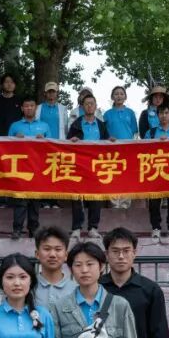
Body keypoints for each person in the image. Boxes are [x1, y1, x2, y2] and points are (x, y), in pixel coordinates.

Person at [100, 227, 169, 338]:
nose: (121, 256)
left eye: (126, 251)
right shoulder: (97, 288)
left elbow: (159, 336)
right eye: (115, 251)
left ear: (134, 253)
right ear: (107, 254)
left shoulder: (150, 290)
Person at [8, 97, 51, 239]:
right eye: (26, 106)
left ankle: (34, 230)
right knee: (20, 200)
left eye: (32, 105)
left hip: (38, 167)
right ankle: (17, 229)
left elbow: (52, 146)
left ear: (35, 108)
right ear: (22, 108)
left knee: (35, 200)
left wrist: (44, 140)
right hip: (20, 167)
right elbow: (5, 147)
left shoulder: (44, 126)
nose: (29, 108)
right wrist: (15, 140)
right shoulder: (15, 126)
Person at [67, 94, 108, 240]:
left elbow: (106, 143)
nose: (89, 106)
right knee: (77, 197)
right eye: (87, 104)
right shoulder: (76, 124)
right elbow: (67, 144)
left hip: (96, 165)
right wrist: (72, 141)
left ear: (96, 106)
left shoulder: (101, 125)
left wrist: (110, 141)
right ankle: (76, 228)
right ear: (82, 107)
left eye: (92, 103)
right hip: (79, 164)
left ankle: (93, 228)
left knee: (96, 197)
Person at [144, 104, 169, 238]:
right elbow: (143, 150)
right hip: (155, 171)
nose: (164, 116)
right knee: (154, 202)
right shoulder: (150, 133)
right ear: (157, 116)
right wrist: (157, 142)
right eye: (161, 113)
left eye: (166, 113)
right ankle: (156, 227)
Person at [33, 226, 76, 309]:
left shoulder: (76, 289)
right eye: (47, 249)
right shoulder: (28, 287)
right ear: (37, 254)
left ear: (66, 255)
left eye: (58, 249)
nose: (52, 254)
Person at [0, 73, 23, 137]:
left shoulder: (20, 100)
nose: (9, 84)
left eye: (12, 82)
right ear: (2, 84)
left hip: (17, 136)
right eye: (7, 82)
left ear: (15, 85)